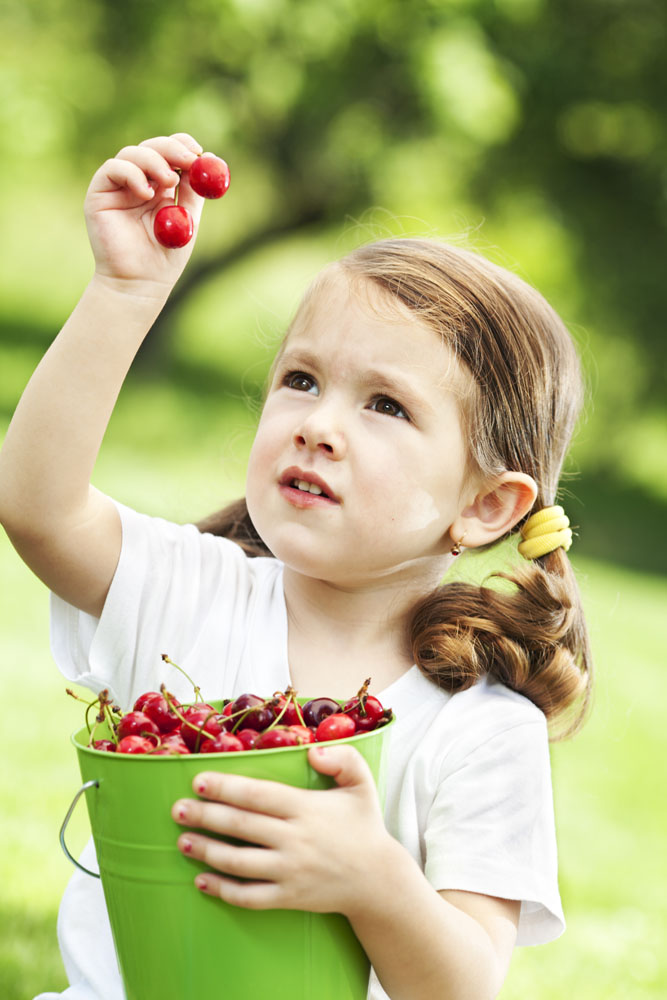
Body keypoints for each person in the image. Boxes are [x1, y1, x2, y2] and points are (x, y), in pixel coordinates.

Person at [0, 133, 592, 1000]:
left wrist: (371, 879)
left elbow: (462, 986)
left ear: (485, 506)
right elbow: (35, 504)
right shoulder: (191, 592)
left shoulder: (476, 729)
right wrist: (125, 292)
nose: (319, 424)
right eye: (302, 381)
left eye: (386, 404)